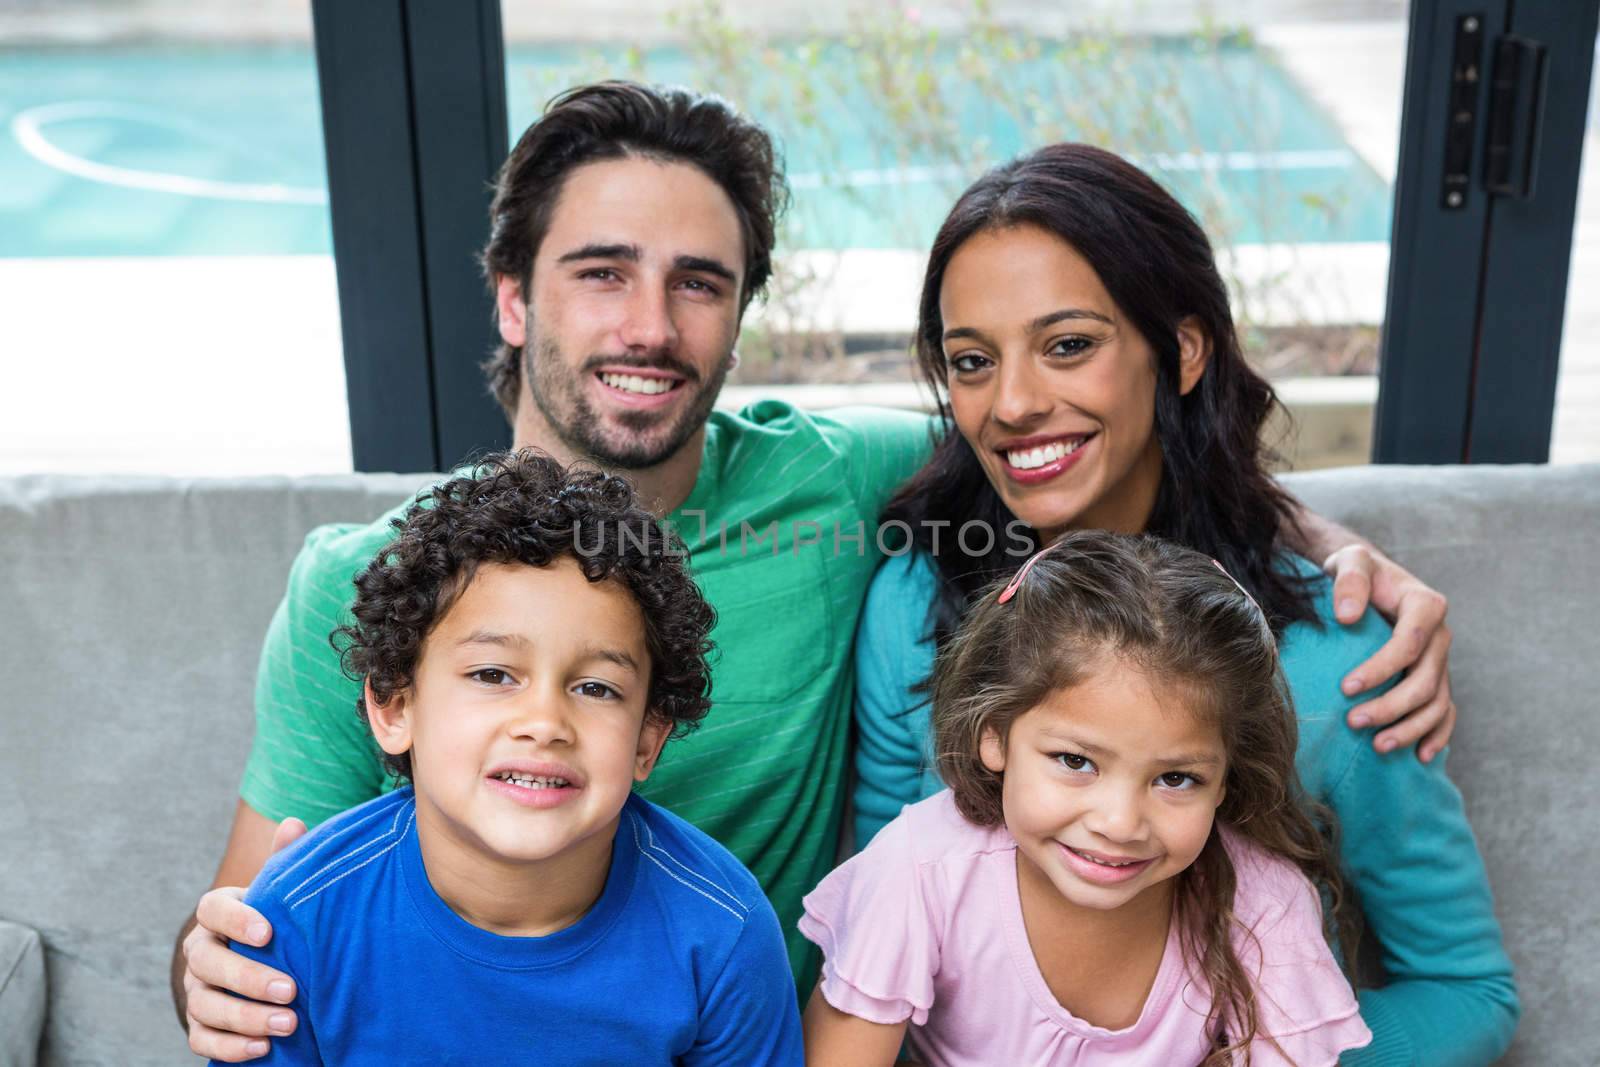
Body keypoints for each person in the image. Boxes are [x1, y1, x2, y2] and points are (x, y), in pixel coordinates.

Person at [177, 82, 1458, 1062]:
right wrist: (210, 962)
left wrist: (1320, 548)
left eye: (699, 283)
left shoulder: (834, 487)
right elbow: (260, 934)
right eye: (598, 272)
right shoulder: (370, 581)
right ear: (511, 298)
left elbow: (1071, 445)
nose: (647, 325)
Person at [851, 143, 1517, 1065]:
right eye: (971, 360)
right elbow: (863, 936)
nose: (1010, 403)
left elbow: (1469, 991)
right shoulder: (919, 601)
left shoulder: (1341, 660)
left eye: (1069, 345)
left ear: (1184, 348)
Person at [212, 451, 802, 1066]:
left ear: (648, 739)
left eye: (596, 687)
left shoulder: (724, 933)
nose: (544, 724)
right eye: (493, 673)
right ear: (393, 708)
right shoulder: (300, 917)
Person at [804, 532, 1372, 1065]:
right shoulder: (919, 871)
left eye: (1176, 778)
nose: (1120, 823)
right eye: (1076, 762)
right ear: (994, 736)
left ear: (1226, 777)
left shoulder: (1264, 905)